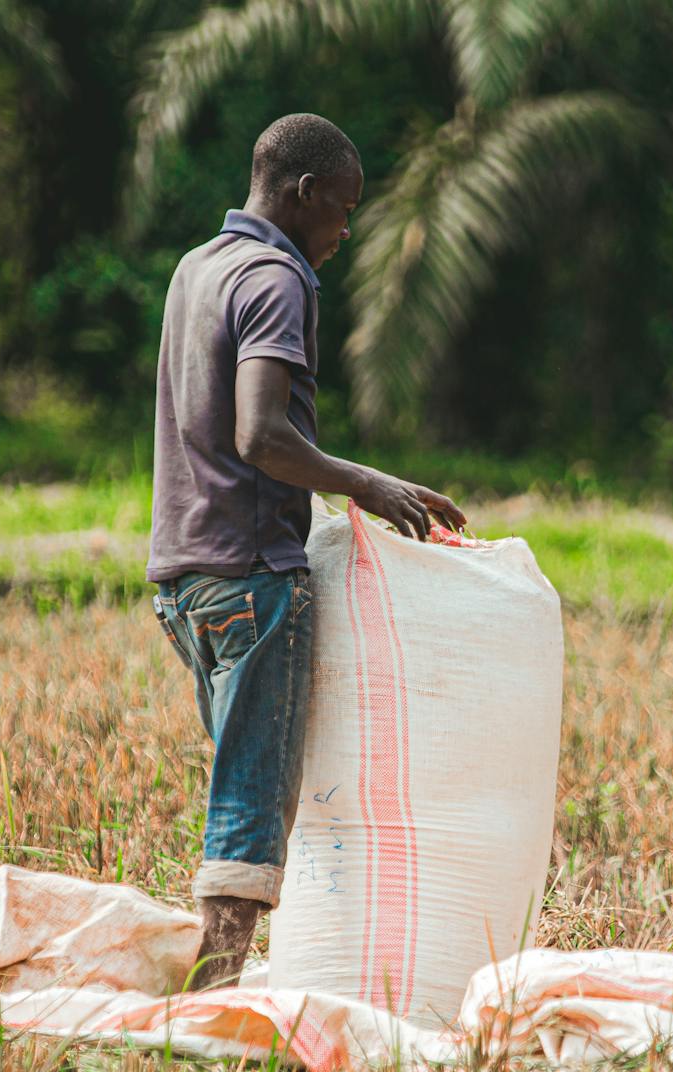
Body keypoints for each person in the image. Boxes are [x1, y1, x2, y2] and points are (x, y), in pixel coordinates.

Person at [146, 113, 466, 990]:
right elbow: (259, 434)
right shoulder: (276, 276)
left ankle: (244, 976)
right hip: (252, 574)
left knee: (250, 778)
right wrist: (367, 483)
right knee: (251, 798)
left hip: (182, 578)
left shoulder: (196, 268)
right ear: (304, 192)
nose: (346, 230)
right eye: (345, 208)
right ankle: (212, 1001)